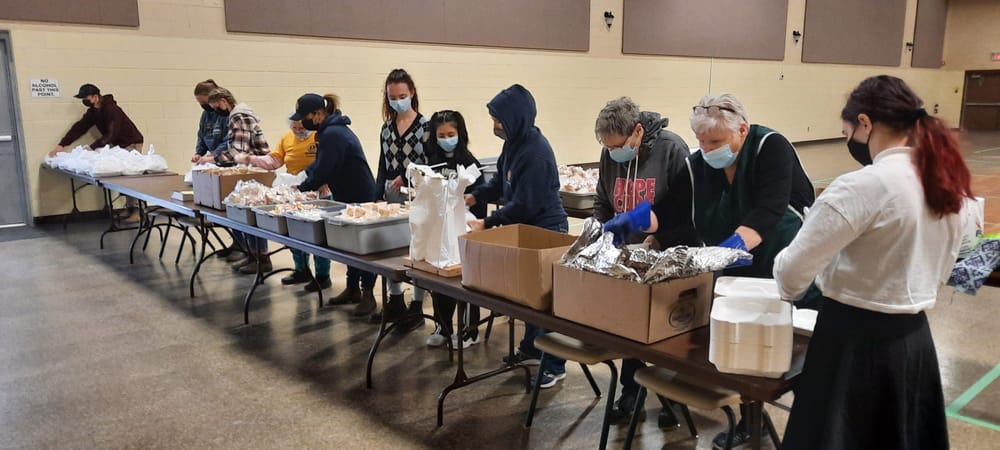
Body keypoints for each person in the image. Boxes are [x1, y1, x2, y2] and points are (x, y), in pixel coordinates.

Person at [606, 93, 815, 448]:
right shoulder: (699, 164)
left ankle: (801, 425)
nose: (707, 148)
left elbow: (770, 209)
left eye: (715, 141)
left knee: (781, 354)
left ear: (742, 130)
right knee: (741, 346)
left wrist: (730, 248)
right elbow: (670, 212)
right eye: (701, 141)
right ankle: (753, 420)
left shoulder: (770, 147)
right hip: (735, 268)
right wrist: (636, 220)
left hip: (783, 259)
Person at [774, 75, 969, 450]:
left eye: (847, 131)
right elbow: (943, 268)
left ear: (865, 123)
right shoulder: (944, 182)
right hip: (914, 341)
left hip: (852, 341)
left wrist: (801, 286)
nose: (849, 140)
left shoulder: (861, 186)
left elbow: (791, 273)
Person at [591, 97, 692, 428]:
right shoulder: (610, 154)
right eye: (608, 148)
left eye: (618, 146)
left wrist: (659, 239)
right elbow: (603, 200)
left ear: (637, 131)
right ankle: (630, 395)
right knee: (631, 332)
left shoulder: (672, 150)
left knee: (669, 333)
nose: (613, 153)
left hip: (667, 256)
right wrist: (602, 231)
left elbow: (686, 211)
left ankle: (674, 399)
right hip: (628, 260)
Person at [465, 84, 568, 389]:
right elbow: (499, 182)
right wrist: (474, 197)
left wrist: (488, 222)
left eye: (499, 119)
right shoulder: (513, 143)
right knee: (527, 296)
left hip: (547, 231)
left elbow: (524, 204)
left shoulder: (536, 153)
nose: (495, 125)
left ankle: (554, 365)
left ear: (516, 118)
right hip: (526, 230)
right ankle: (531, 348)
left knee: (546, 303)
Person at [290, 92, 379, 316]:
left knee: (363, 248)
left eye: (305, 116)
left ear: (318, 114)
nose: (302, 121)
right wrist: (301, 177)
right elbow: (320, 163)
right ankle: (352, 289)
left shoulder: (333, 133)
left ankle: (367, 294)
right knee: (349, 245)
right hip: (347, 195)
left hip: (360, 195)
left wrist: (301, 190)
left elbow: (324, 170)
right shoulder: (327, 132)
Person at [237, 114, 332, 293]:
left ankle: (322, 276)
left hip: (320, 191)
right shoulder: (286, 138)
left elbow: (327, 162)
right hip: (296, 193)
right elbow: (274, 161)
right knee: (296, 233)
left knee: (319, 237)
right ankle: (301, 270)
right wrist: (251, 159)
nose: (298, 132)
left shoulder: (320, 136)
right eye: (294, 128)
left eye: (301, 128)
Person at [370, 68, 430, 332]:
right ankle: (396, 301)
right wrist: (375, 198)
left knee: (416, 251)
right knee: (390, 250)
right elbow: (383, 164)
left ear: (412, 93)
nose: (397, 101)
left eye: (402, 95)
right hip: (392, 197)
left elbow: (431, 166)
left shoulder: (426, 128)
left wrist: (407, 179)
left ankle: (417, 307)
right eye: (392, 96)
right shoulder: (386, 128)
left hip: (419, 197)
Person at [423, 110, 487, 349]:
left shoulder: (470, 164)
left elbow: (479, 202)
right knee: (439, 280)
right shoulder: (432, 162)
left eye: (451, 134)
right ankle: (443, 325)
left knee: (466, 280)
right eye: (441, 135)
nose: (446, 138)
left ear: (460, 134)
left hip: (465, 231)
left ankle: (470, 330)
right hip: (438, 232)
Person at [50, 83, 145, 222]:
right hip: (120, 145)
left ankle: (137, 211)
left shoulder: (112, 110)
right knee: (124, 179)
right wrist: (62, 145)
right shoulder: (93, 112)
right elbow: (79, 127)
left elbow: (112, 133)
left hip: (132, 143)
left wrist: (93, 146)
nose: (84, 101)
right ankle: (129, 209)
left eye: (86, 98)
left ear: (95, 97)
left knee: (131, 178)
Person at [208, 87, 272, 275]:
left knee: (253, 216)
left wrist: (215, 159)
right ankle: (252, 255)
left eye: (215, 106)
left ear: (223, 101)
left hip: (255, 170)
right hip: (250, 170)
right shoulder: (237, 115)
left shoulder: (239, 116)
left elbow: (239, 151)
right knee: (247, 216)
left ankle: (261, 258)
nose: (215, 111)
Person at [189, 79, 240, 259]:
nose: (204, 107)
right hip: (214, 163)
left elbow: (230, 142)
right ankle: (236, 244)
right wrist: (199, 154)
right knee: (224, 209)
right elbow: (202, 135)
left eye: (204, 102)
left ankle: (244, 248)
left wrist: (212, 156)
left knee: (234, 209)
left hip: (231, 164)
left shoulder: (230, 114)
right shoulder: (206, 116)